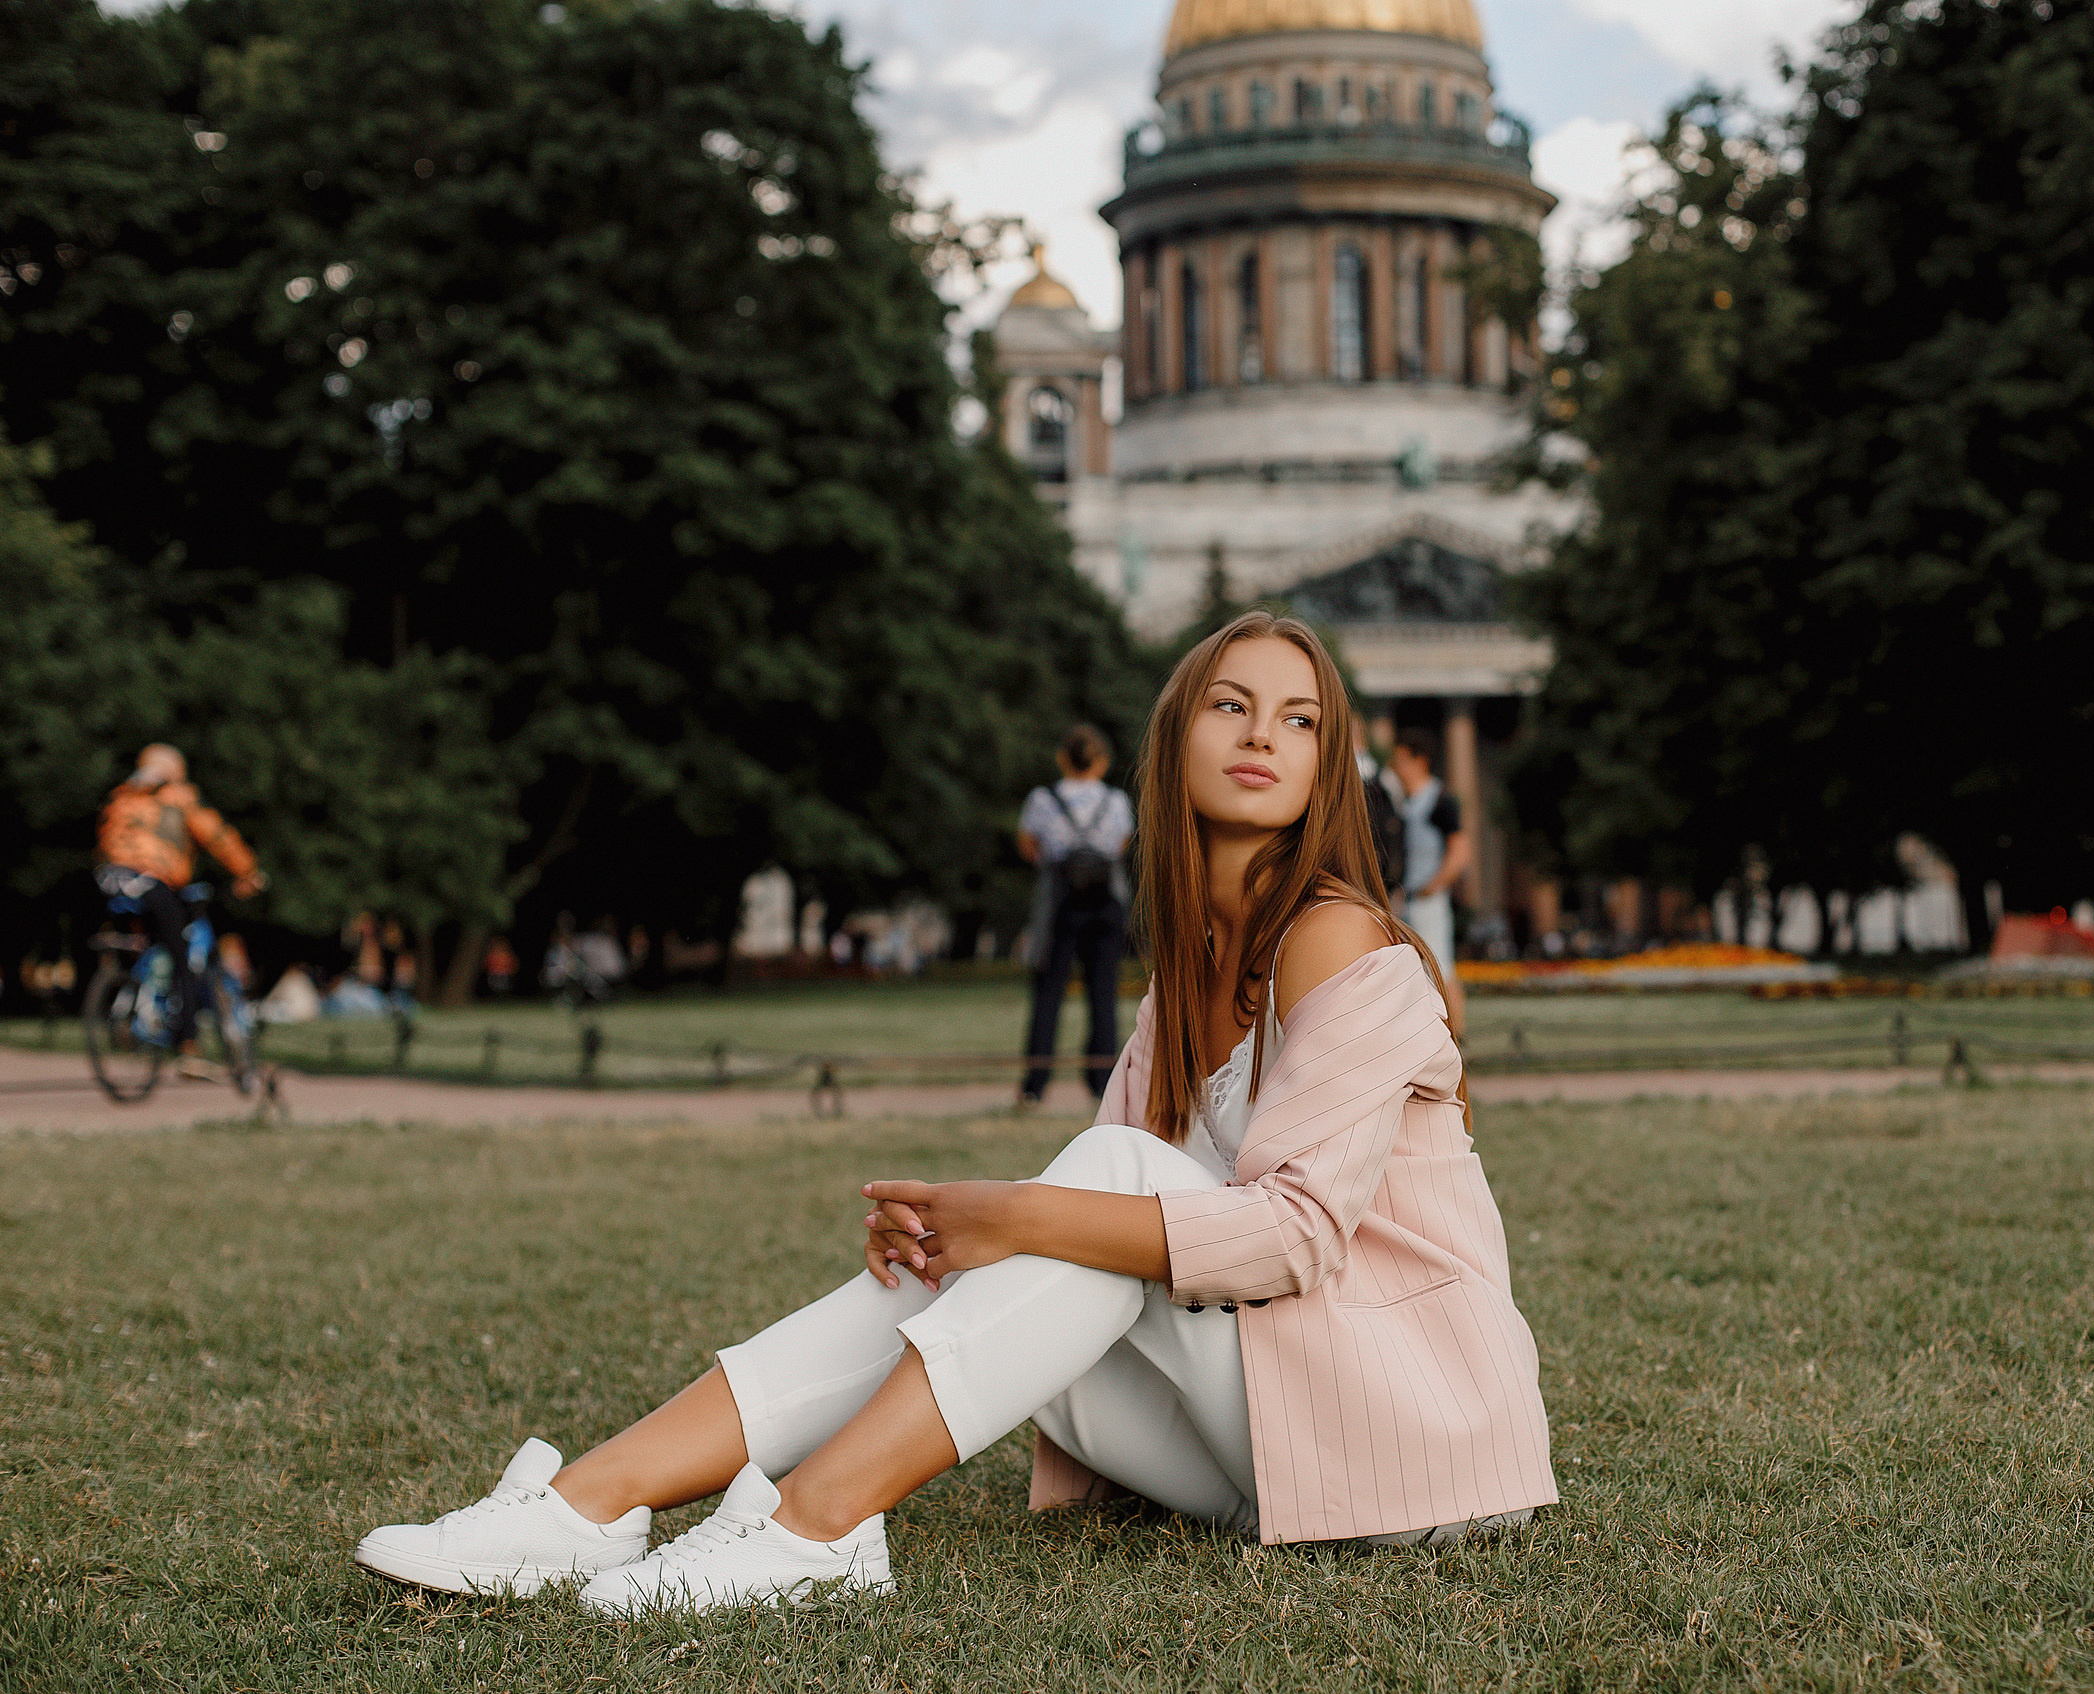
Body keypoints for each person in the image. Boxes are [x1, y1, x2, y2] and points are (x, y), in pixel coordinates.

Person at [353, 612, 1556, 1611]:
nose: (1263, 737)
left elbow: (1291, 1236)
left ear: (1323, 764)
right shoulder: (1183, 974)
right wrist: (962, 1236)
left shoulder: (1342, 939)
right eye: (1230, 706)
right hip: (1270, 1459)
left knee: (1077, 1197)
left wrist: (1019, 1214)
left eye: (1300, 721)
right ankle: (586, 1508)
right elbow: (1095, 1220)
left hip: (1408, 1442)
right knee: (1017, 1237)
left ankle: (814, 1529)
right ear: (1173, 739)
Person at [95, 743, 265, 1066]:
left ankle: (136, 994)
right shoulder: (177, 795)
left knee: (153, 940)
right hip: (152, 879)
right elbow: (217, 835)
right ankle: (188, 1045)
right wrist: (248, 872)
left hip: (111, 880)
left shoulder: (123, 794)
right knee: (182, 956)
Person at [1015, 725, 1134, 1104]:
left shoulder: (1042, 799)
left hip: (1060, 905)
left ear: (1062, 758)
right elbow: (1121, 845)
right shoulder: (1115, 800)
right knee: (1103, 994)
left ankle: (1035, 1084)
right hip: (1105, 907)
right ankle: (1101, 1082)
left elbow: (1029, 847)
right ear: (1101, 761)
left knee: (1048, 994)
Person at [1388, 727, 1470, 1042]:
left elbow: (1460, 850)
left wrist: (1434, 886)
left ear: (1419, 761)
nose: (1398, 768)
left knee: (1440, 966)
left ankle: (1455, 1033)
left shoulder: (1439, 800)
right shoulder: (1406, 802)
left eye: (1402, 761)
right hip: (1409, 898)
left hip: (1427, 900)